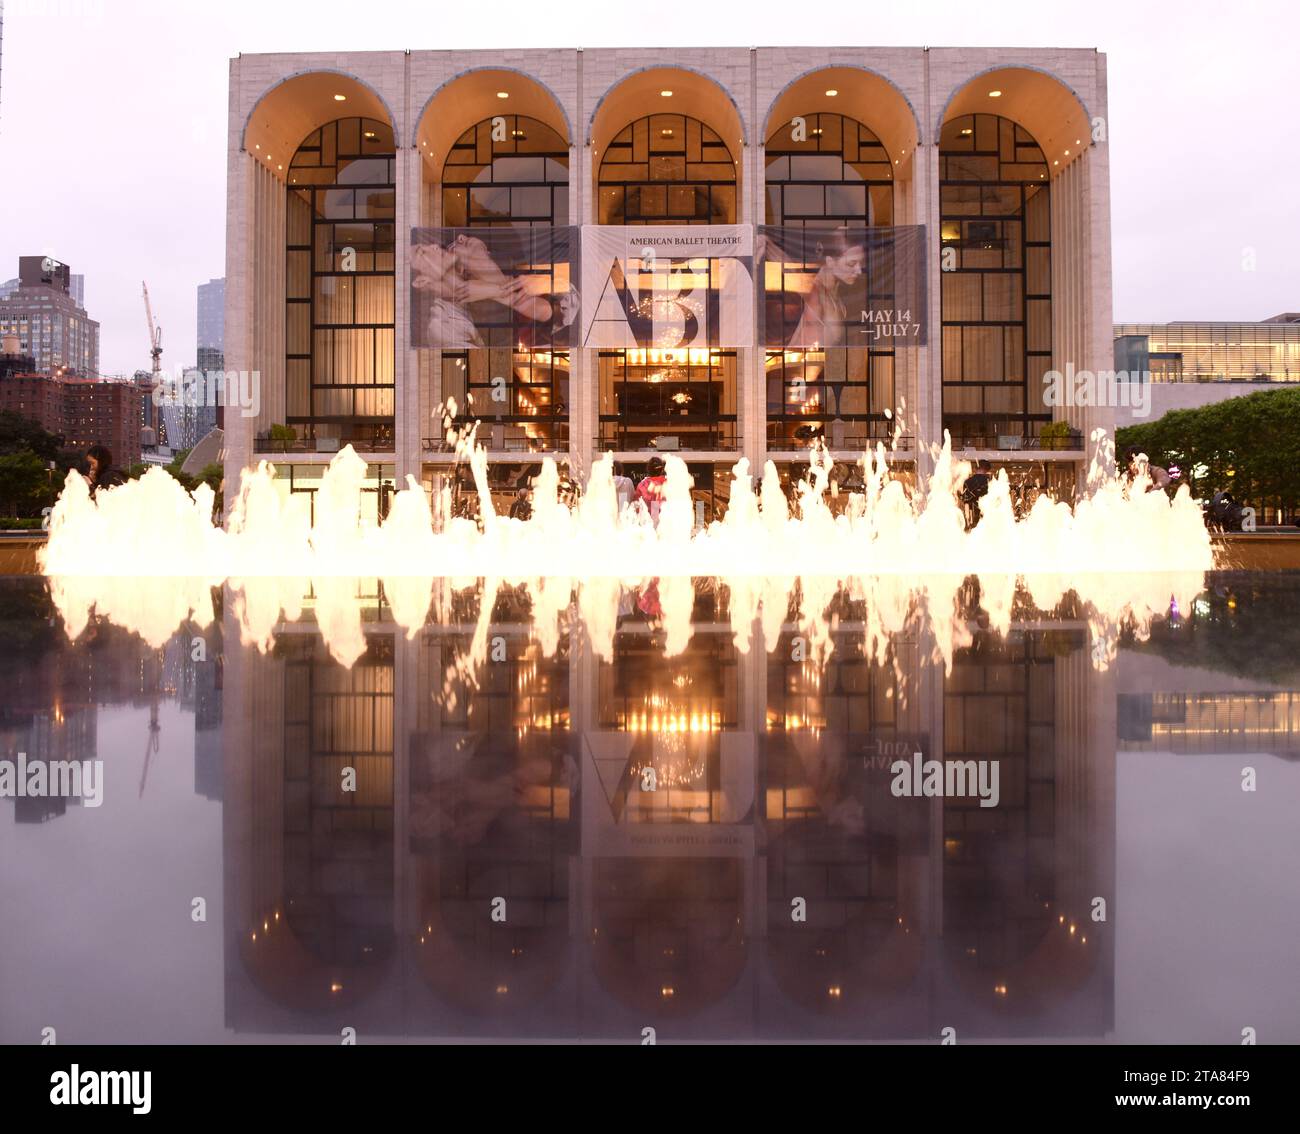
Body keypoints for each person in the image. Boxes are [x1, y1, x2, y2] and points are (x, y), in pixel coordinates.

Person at [960, 460, 992, 530]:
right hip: (987, 515)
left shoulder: (967, 482)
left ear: (975, 468)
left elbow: (965, 502)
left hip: (972, 514)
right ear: (986, 469)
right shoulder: (990, 481)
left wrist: (967, 520)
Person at [635, 456, 667, 522]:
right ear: (662, 470)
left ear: (648, 470)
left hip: (647, 524)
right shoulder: (669, 483)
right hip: (665, 524)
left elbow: (636, 506)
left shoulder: (642, 485)